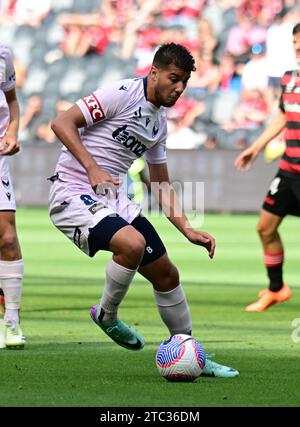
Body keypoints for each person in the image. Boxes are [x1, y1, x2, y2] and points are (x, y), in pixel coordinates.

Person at [49, 43, 238, 377]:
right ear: (154, 72)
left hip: (115, 198)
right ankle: (106, 314)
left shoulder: (159, 125)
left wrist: (188, 229)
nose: (179, 88)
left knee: (167, 274)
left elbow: (161, 184)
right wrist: (92, 167)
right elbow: (62, 123)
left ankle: (190, 351)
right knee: (132, 245)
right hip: (74, 189)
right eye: (174, 78)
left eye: (184, 82)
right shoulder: (122, 93)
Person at [235, 23, 300, 312]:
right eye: (295, 42)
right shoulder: (290, 79)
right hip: (289, 170)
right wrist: (255, 147)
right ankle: (277, 289)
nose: (298, 47)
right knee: (265, 227)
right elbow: (283, 117)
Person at [0, 43, 26, 349]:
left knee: (6, 238)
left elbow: (12, 101)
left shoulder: (3, 54)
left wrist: (12, 134)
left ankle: (12, 322)